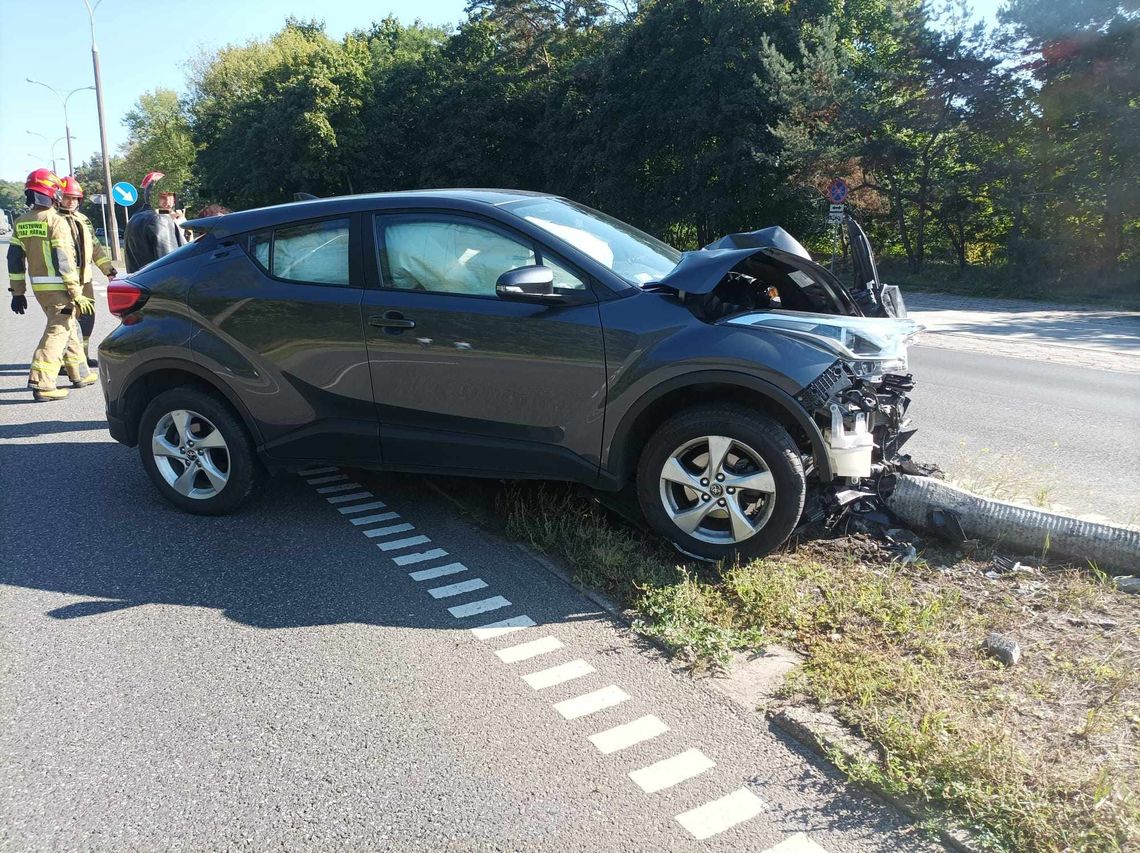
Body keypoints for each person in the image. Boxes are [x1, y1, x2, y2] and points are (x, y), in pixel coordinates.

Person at [6, 169, 97, 401]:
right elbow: (64, 260)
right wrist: (76, 293)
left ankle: (80, 373)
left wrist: (18, 293)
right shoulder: (56, 221)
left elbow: (14, 259)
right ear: (52, 193)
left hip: (40, 290)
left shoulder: (21, 222)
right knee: (58, 330)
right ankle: (43, 382)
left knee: (68, 326)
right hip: (61, 289)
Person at [57, 176, 117, 367]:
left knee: (87, 317)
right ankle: (64, 361)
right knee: (66, 322)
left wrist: (108, 270)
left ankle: (81, 355)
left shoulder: (83, 220)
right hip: (62, 282)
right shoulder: (54, 220)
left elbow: (96, 248)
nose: (71, 202)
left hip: (85, 281)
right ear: (59, 197)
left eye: (75, 198)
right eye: (67, 197)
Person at [124, 171, 185, 272]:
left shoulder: (134, 218)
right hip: (160, 285)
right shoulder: (160, 220)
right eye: (163, 196)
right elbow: (170, 265)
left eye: (171, 196)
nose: (169, 201)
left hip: (138, 282)